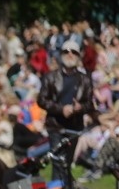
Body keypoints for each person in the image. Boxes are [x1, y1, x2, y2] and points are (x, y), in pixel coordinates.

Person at [36, 38, 96, 181]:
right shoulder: (50, 77)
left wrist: (79, 108)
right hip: (55, 126)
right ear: (61, 54)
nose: (70, 55)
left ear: (78, 56)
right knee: (57, 162)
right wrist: (61, 109)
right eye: (66, 51)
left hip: (74, 128)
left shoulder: (85, 80)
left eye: (74, 52)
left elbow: (90, 105)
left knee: (66, 163)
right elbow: (41, 100)